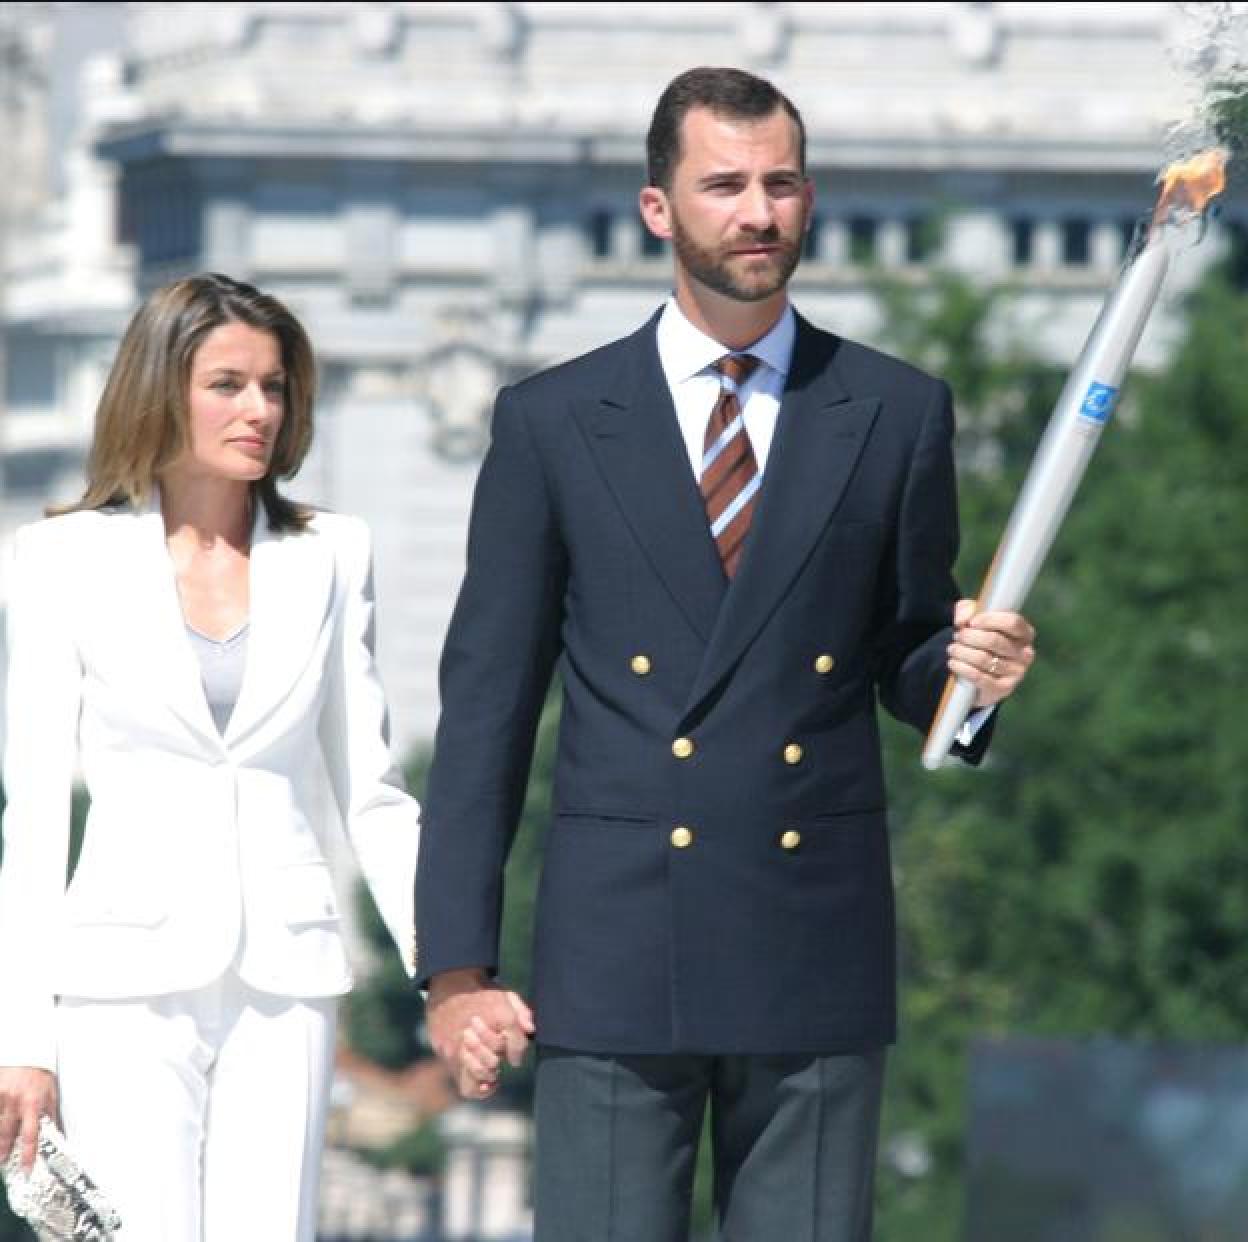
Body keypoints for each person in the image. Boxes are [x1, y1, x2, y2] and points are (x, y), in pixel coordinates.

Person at [416, 66, 1036, 1242]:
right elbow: (488, 709)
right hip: (613, 946)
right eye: (726, 185)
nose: (759, 211)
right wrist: (457, 966)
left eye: (782, 183)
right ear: (660, 209)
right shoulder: (553, 421)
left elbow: (906, 655)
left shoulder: (896, 410)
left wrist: (972, 678)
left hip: (812, 939)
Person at [0, 273, 420, 1241]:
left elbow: (376, 795)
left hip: (287, 978)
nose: (259, 410)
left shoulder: (331, 557)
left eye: (274, 387)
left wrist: (451, 968)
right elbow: (30, 822)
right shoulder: (61, 562)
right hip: (119, 984)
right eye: (228, 384)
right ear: (161, 389)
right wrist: (24, 1042)